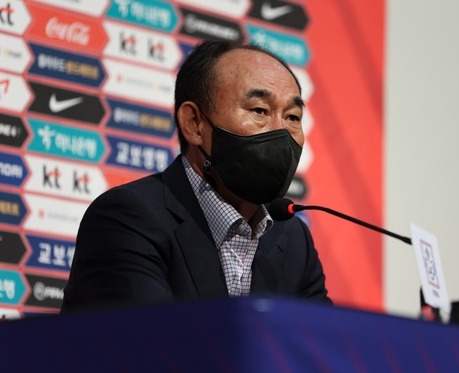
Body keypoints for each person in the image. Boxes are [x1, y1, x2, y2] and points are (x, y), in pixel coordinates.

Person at [60, 41, 331, 312]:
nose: (281, 131)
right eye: (259, 111)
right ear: (194, 124)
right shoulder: (128, 218)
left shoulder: (294, 240)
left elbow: (323, 348)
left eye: (293, 117)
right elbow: (149, 345)